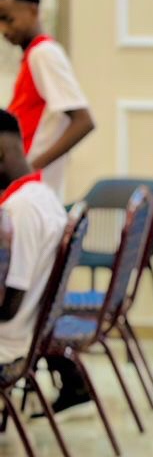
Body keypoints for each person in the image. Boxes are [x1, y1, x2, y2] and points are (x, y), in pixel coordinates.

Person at [0, 0, 94, 202]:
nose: (3, 29)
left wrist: (30, 168)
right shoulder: (34, 55)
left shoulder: (43, 54)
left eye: (8, 19)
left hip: (31, 186)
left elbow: (83, 121)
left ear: (33, 10)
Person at [0, 110, 67, 369]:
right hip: (27, 336)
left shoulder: (21, 209)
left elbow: (9, 307)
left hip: (8, 344)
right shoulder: (44, 196)